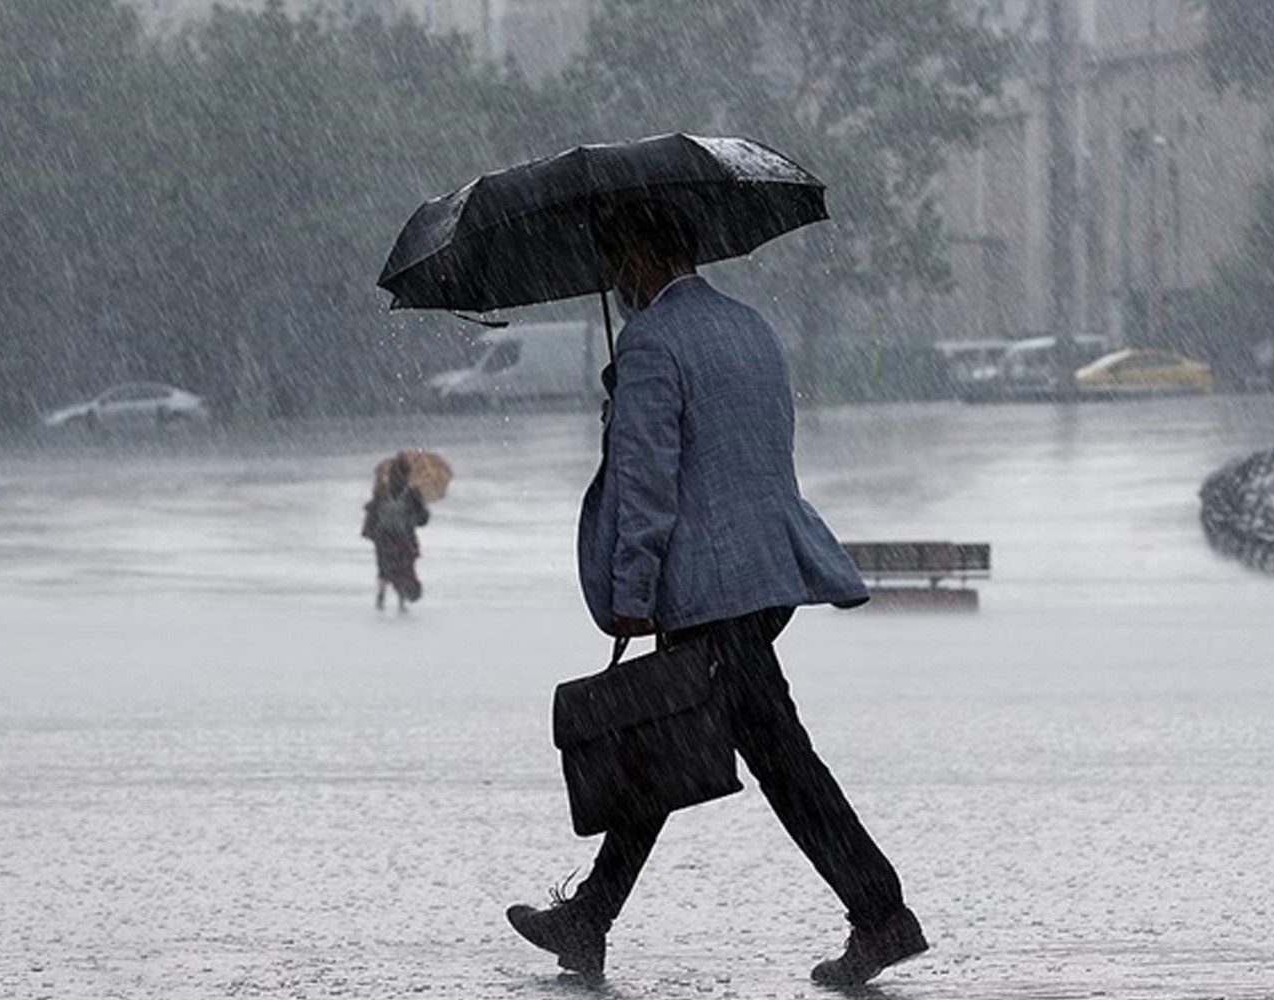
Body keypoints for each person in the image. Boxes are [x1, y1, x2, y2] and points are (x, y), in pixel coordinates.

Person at [505, 200, 924, 988]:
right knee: (668, 739)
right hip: (765, 574)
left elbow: (648, 483)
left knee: (772, 758)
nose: (612, 280)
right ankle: (589, 917)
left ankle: (882, 914)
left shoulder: (652, 342)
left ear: (639, 258)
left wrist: (633, 589)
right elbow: (749, 450)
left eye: (615, 263)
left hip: (707, 589)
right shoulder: (750, 327)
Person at [361, 456, 428, 612]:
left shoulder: (386, 491)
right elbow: (422, 518)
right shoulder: (408, 493)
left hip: (389, 537)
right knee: (400, 569)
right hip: (399, 537)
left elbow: (372, 510)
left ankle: (385, 597)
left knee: (388, 568)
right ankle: (396, 601)